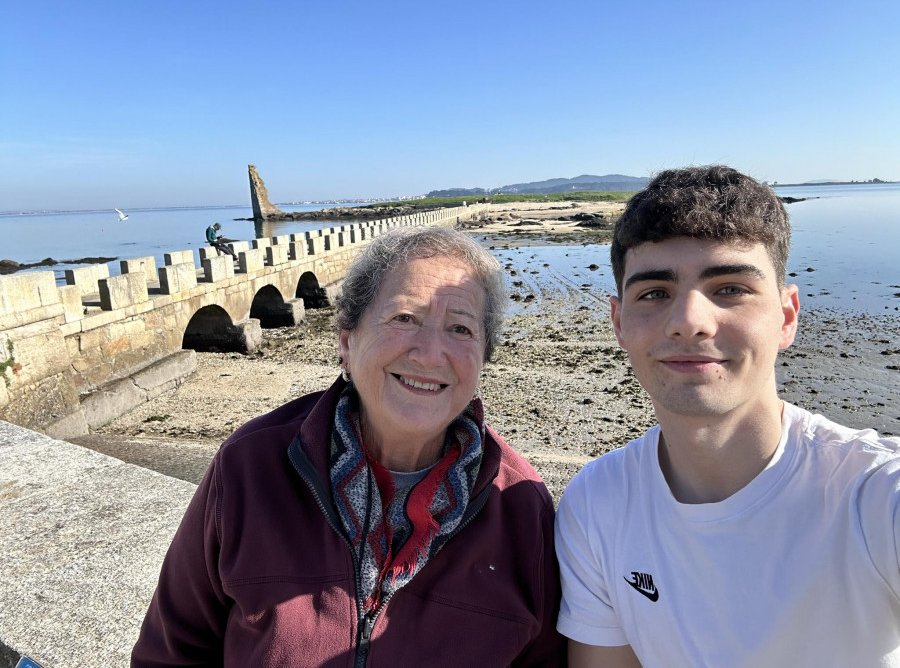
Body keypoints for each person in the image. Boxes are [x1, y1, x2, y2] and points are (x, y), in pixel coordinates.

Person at [132, 226, 565, 666]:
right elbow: (171, 652)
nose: (431, 354)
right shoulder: (250, 467)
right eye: (404, 318)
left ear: (482, 359)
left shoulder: (520, 506)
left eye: (460, 328)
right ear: (346, 341)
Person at [555, 165, 900, 667]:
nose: (689, 321)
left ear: (786, 317)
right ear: (619, 323)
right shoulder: (596, 505)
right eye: (654, 293)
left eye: (731, 288)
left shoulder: (872, 494)